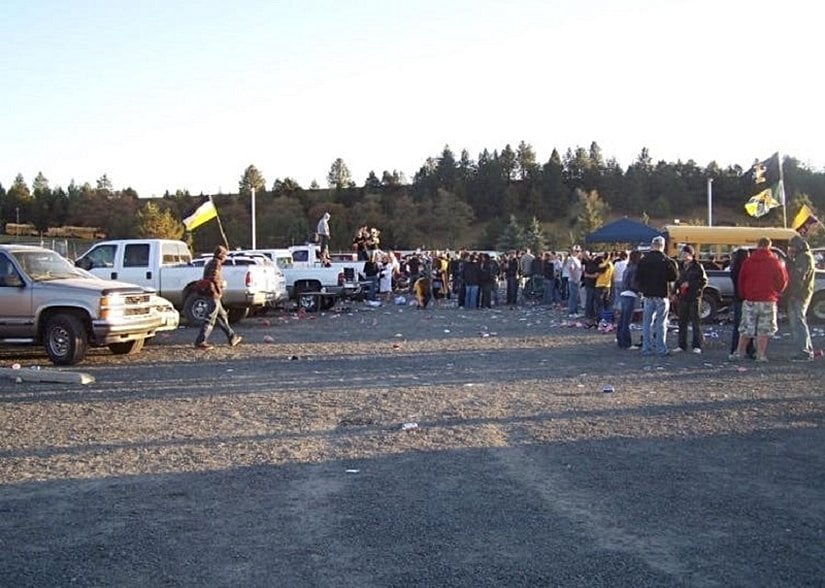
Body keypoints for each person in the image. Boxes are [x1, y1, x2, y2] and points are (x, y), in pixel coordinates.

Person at [730, 237, 788, 363]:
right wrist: (776, 292)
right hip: (768, 300)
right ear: (769, 246)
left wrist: (743, 294)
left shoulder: (748, 261)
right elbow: (782, 281)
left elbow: (741, 280)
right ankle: (760, 355)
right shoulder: (775, 262)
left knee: (745, 328)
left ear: (757, 245)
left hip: (750, 299)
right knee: (764, 330)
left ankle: (740, 353)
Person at [636, 236, 678, 357]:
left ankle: (646, 348)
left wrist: (642, 289)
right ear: (663, 246)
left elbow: (638, 277)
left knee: (647, 323)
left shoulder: (644, 260)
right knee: (661, 323)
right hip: (662, 294)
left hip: (648, 294)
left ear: (652, 245)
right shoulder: (667, 261)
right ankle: (661, 349)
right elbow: (674, 277)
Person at [194, 245, 242, 350]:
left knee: (222, 315)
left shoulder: (211, 262)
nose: (226, 257)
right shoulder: (216, 263)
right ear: (221, 255)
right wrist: (219, 290)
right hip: (213, 294)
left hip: (211, 293)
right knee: (210, 318)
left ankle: (232, 337)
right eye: (225, 255)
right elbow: (214, 278)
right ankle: (201, 341)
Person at [672, 245, 707, 354]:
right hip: (682, 297)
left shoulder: (697, 266)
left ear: (691, 254)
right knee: (682, 322)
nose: (683, 255)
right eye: (682, 253)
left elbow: (704, 281)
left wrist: (691, 284)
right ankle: (681, 345)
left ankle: (697, 345)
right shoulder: (681, 266)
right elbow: (677, 281)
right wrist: (674, 292)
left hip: (694, 297)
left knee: (695, 322)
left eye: (686, 253)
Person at [786, 235, 816, 361]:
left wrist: (793, 293)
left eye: (792, 247)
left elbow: (798, 277)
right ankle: (807, 349)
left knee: (798, 323)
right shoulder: (805, 257)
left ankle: (804, 351)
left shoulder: (803, 258)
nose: (791, 249)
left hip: (798, 295)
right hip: (802, 294)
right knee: (799, 321)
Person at [729, 248, 755, 359]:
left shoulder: (734, 268)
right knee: (749, 325)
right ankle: (749, 349)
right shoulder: (746, 268)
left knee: (738, 326)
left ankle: (735, 348)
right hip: (746, 298)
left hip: (737, 298)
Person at [616, 250, 642, 349]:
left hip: (624, 293)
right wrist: (639, 290)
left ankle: (620, 340)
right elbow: (633, 284)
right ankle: (626, 343)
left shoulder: (628, 267)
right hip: (630, 294)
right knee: (626, 320)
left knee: (622, 319)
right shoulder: (635, 269)